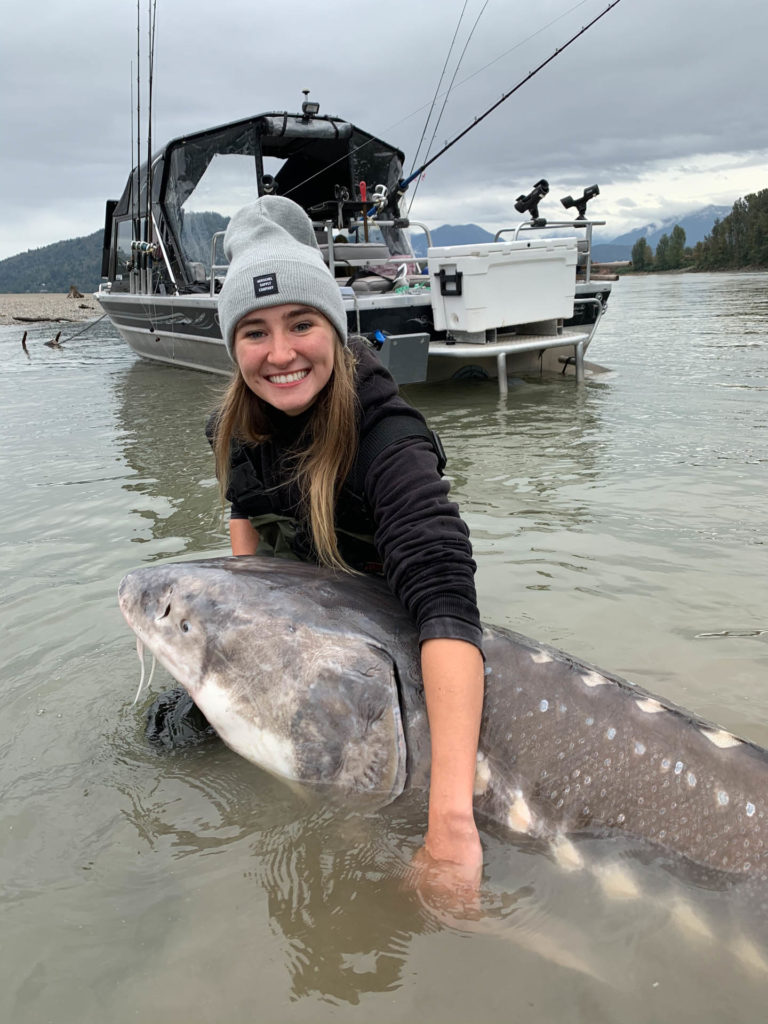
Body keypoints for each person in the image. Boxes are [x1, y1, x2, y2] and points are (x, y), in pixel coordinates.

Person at [209, 195, 485, 896]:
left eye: (301, 323)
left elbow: (448, 602)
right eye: (254, 332)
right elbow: (246, 523)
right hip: (314, 628)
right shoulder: (234, 423)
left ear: (333, 327)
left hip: (395, 637)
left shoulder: (389, 440)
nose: (280, 354)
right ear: (233, 345)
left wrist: (451, 826)